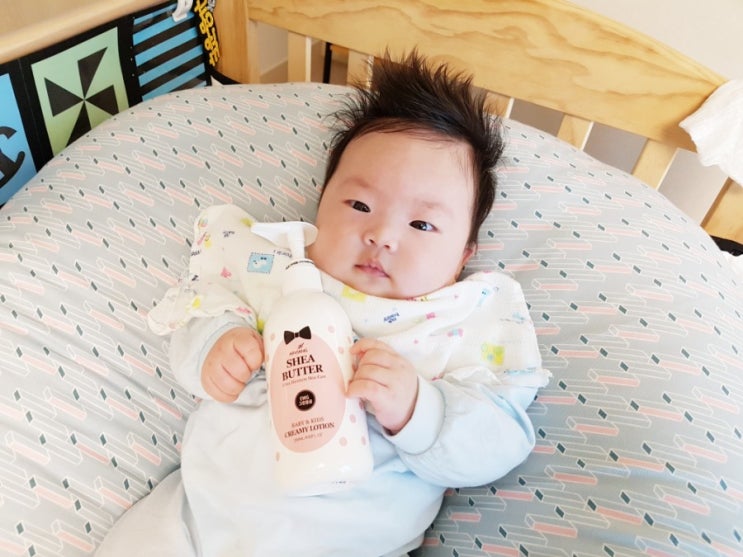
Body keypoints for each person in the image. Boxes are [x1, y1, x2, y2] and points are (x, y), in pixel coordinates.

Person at [95, 51, 551, 557]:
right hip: (196, 520)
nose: (381, 234)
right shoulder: (274, 271)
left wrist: (418, 409)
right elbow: (199, 312)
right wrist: (215, 346)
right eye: (359, 205)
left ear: (463, 255)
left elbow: (497, 442)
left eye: (422, 224)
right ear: (319, 210)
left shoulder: (456, 322)